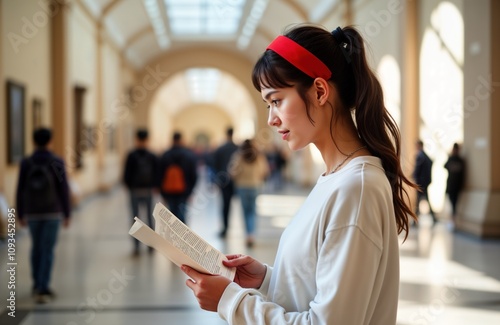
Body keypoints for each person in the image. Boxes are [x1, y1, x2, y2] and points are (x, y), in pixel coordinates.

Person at [180, 25, 417, 324]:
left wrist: (231, 301)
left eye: (276, 100)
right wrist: (266, 279)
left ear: (319, 91)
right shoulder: (337, 179)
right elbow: (321, 285)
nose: (271, 119)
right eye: (268, 105)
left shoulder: (355, 189)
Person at [16, 127, 71, 304]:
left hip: (32, 212)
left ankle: (36, 283)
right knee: (48, 249)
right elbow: (64, 189)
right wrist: (67, 212)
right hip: (52, 212)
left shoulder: (26, 162)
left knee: (36, 248)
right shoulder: (57, 161)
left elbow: (20, 188)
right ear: (50, 141)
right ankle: (43, 287)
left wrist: (20, 213)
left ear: (33, 141)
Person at [229, 139, 270, 248]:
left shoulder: (238, 156)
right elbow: (265, 171)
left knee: (245, 211)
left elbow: (232, 172)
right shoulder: (259, 156)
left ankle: (248, 234)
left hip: (242, 186)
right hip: (255, 186)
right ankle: (251, 234)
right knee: (252, 211)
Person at [123, 129, 158, 255]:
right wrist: (154, 186)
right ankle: (150, 245)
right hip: (148, 190)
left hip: (135, 190)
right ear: (147, 139)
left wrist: (129, 187)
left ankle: (136, 246)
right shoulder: (152, 155)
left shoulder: (131, 155)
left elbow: (126, 175)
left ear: (136, 139)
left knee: (135, 218)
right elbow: (157, 173)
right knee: (149, 218)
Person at [158, 132, 198, 224]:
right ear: (181, 140)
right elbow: (193, 175)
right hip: (184, 190)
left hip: (169, 190)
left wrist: (162, 193)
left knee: (172, 214)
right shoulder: (189, 155)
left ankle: (172, 236)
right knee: (182, 213)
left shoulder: (165, 155)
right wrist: (191, 191)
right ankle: (183, 235)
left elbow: (160, 174)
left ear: (172, 140)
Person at [212, 127, 238, 238]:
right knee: (241, 206)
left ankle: (225, 228)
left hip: (223, 181)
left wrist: (216, 180)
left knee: (225, 205)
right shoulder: (238, 148)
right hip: (236, 181)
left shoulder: (220, 149)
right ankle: (248, 233)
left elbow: (214, 165)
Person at [412, 140, 437, 224]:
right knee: (424, 200)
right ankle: (433, 217)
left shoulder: (420, 156)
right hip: (425, 182)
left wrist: (414, 177)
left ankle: (415, 219)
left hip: (421, 183)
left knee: (418, 201)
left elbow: (417, 169)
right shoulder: (426, 156)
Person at [444, 143, 466, 222]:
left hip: (457, 186)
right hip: (450, 185)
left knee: (455, 203)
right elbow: (445, 166)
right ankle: (452, 218)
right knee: (451, 201)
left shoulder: (460, 160)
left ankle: (453, 219)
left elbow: (463, 174)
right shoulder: (451, 159)